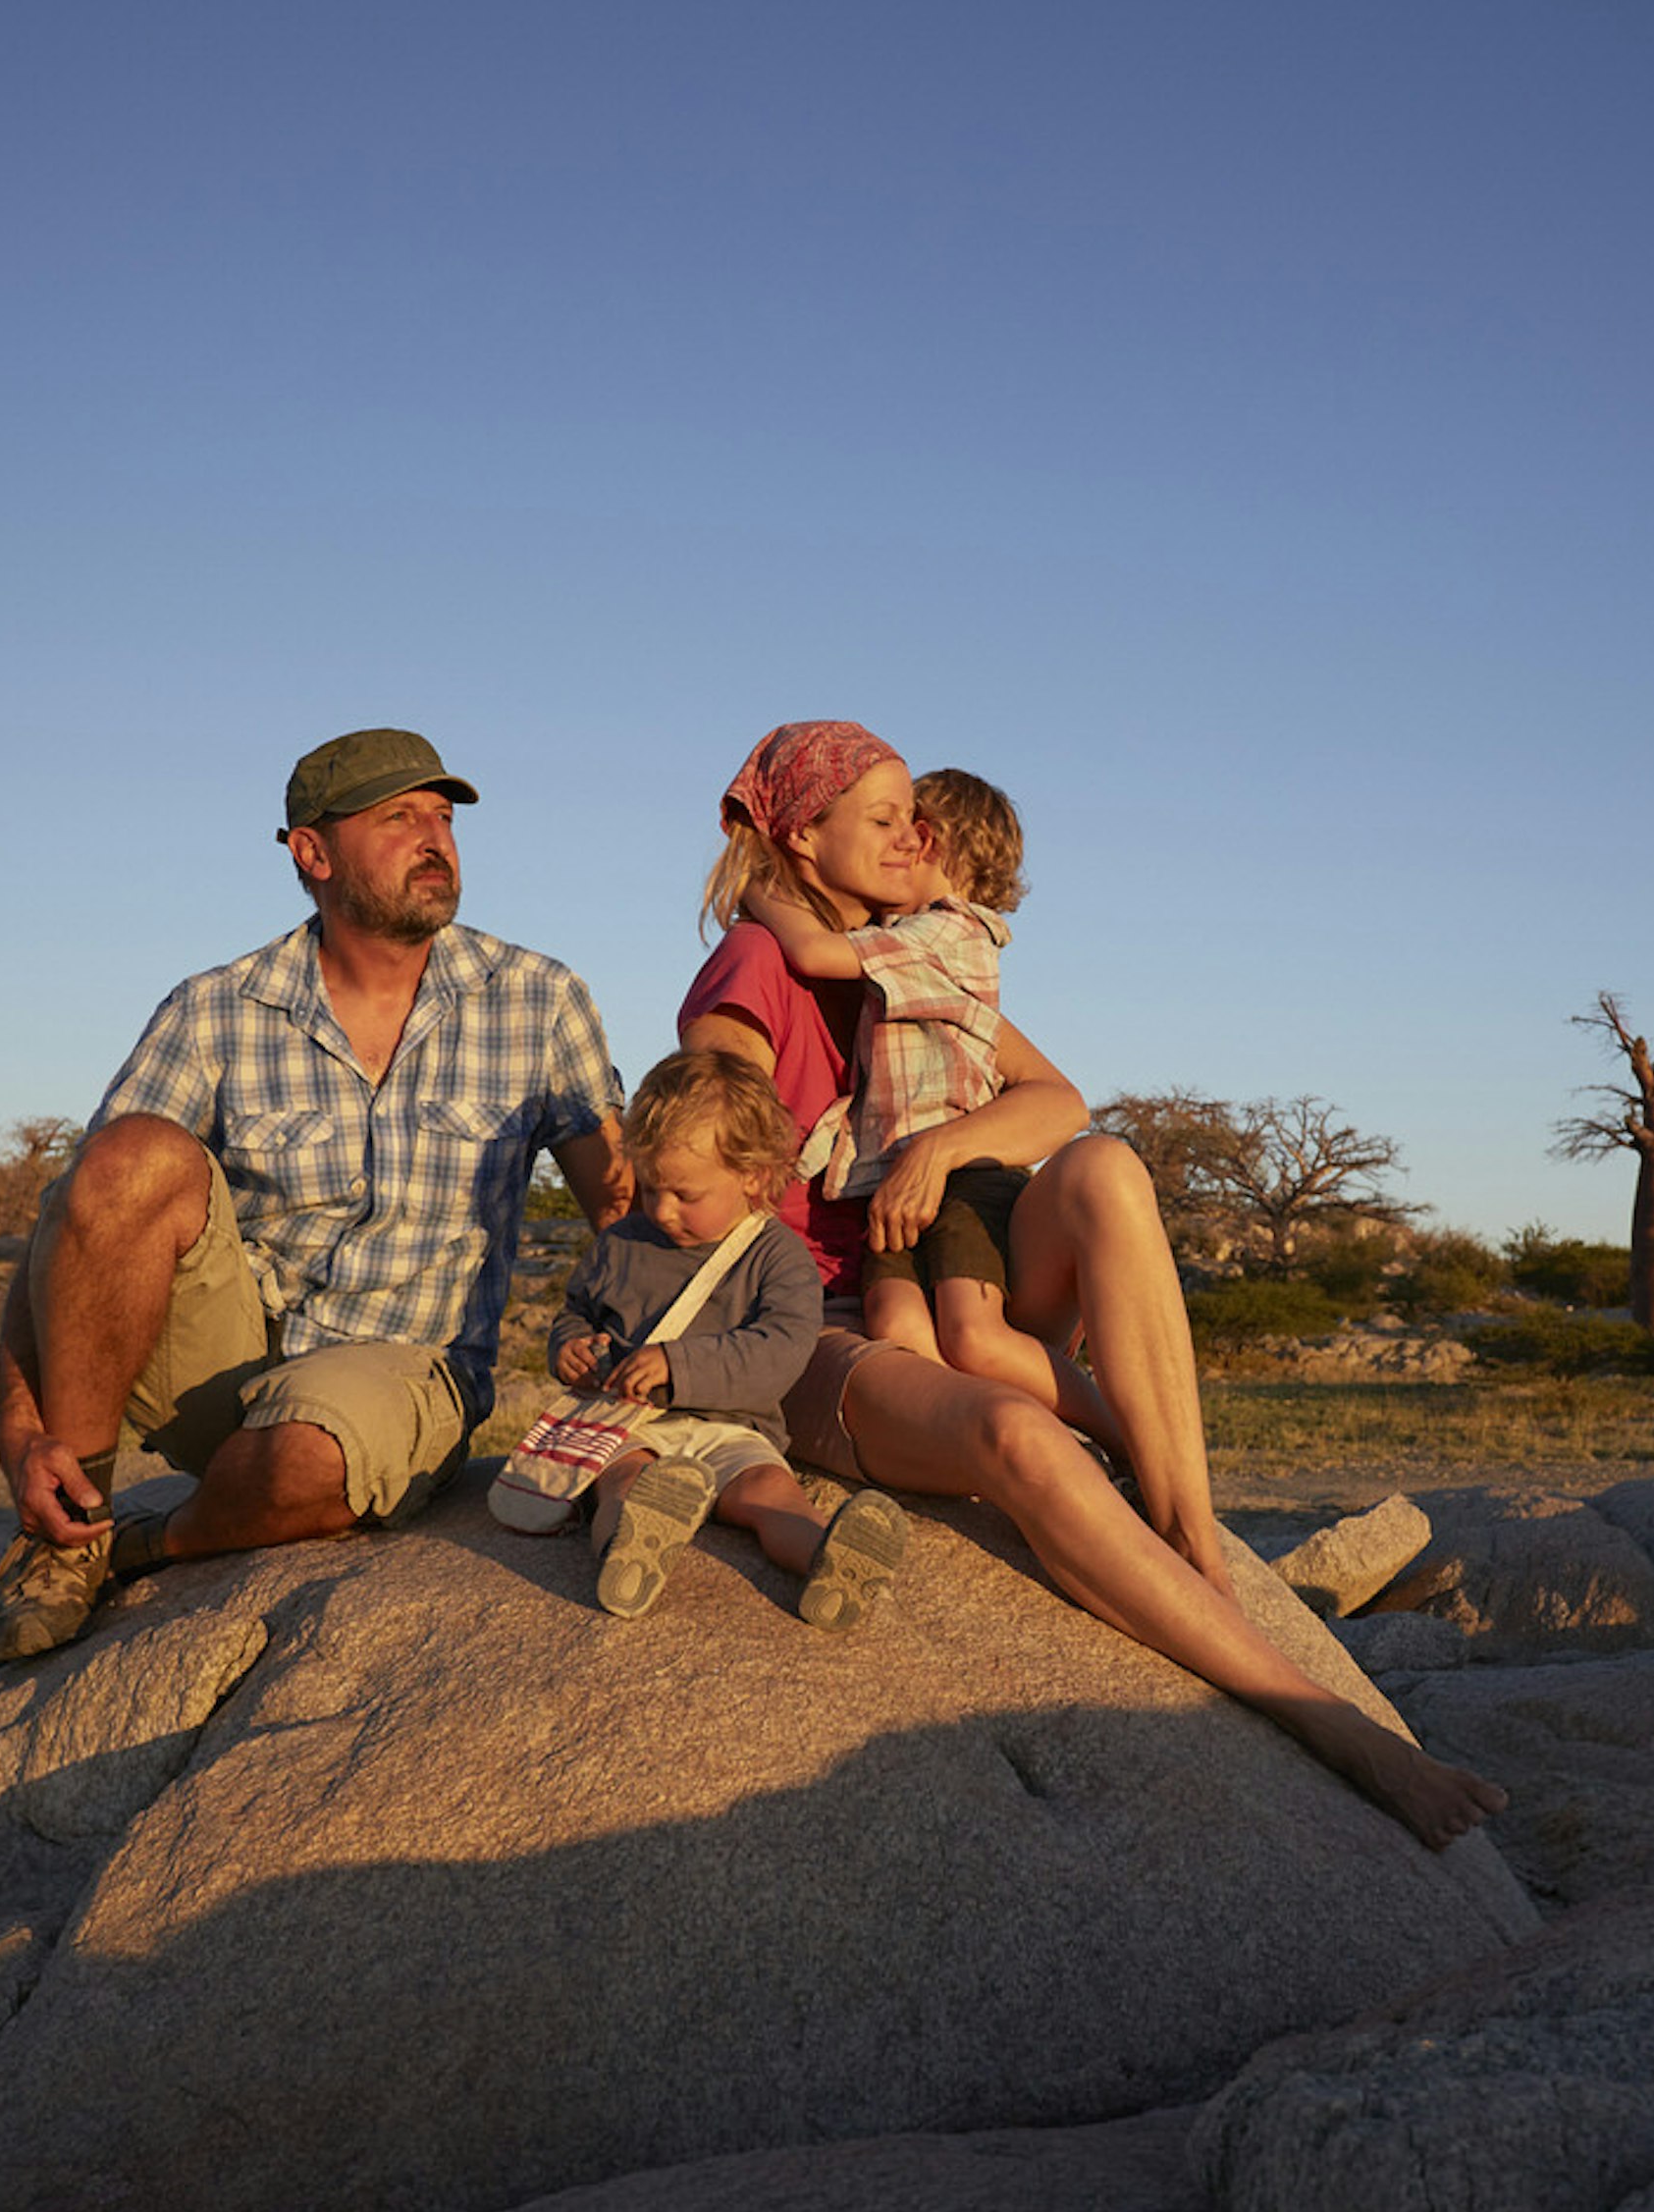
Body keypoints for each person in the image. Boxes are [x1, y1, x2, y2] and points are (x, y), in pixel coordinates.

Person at [678, 720, 1505, 1850]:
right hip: (822, 1318)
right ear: (801, 835)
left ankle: (1193, 1537)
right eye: (880, 817)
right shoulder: (754, 966)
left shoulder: (916, 950)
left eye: (910, 814)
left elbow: (1058, 1101)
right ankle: (1326, 1724)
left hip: (942, 1255)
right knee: (1017, 1436)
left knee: (1109, 1165)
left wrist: (940, 1144)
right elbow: (711, 1167)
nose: (910, 833)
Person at [0, 726, 628, 1683]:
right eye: (399, 817)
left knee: (304, 1456)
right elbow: (78, 1226)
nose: (436, 838)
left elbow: (631, 1206)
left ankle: (153, 1540)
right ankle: (71, 1526)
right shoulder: (216, 1008)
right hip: (225, 1365)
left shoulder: (537, 998)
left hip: (404, 1367)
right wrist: (24, 1438)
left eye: (443, 816)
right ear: (312, 852)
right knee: (128, 1155)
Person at [735, 767, 1111, 1449]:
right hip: (892, 1182)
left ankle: (1109, 1428)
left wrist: (760, 886)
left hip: (963, 1180)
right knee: (897, 1327)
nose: (892, 848)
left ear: (927, 839)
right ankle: (985, 1439)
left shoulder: (947, 933)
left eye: (899, 831)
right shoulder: (903, 944)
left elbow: (816, 952)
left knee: (974, 1335)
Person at [524, 1049, 910, 1626]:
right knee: (622, 1479)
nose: (660, 1209)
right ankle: (628, 1550)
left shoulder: (776, 1257)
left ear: (751, 1175)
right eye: (650, 1187)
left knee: (769, 1493)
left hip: (733, 1428)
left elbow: (781, 1349)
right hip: (631, 1426)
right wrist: (570, 1348)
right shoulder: (621, 1243)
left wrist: (679, 1366)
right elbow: (578, 1311)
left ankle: (828, 1559)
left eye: (685, 1194)